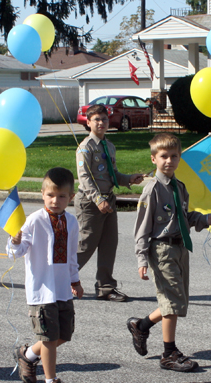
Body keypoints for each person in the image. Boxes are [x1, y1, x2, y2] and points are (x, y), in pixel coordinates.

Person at [128, 133, 211, 371]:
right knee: (172, 303)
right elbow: (142, 228)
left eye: (173, 156)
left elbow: (184, 217)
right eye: (163, 156)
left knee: (177, 302)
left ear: (179, 158)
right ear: (153, 159)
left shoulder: (179, 187)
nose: (168, 160)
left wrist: (204, 218)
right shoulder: (152, 190)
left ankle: (141, 327)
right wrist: (142, 259)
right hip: (161, 249)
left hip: (181, 247)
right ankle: (169, 353)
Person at [7, 167, 83, 383]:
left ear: (71, 197)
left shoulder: (71, 221)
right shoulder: (34, 220)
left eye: (62, 196)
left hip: (62, 288)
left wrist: (75, 280)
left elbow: (72, 255)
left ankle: (27, 355)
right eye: (51, 195)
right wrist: (15, 240)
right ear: (42, 194)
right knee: (49, 339)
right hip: (41, 290)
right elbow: (17, 252)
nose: (55, 200)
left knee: (63, 335)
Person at [75, 104, 144, 301]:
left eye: (104, 119)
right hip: (91, 202)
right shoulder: (85, 147)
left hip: (109, 200)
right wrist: (97, 200)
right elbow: (85, 178)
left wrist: (129, 178)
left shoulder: (109, 146)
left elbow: (112, 174)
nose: (101, 123)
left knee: (109, 244)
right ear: (88, 123)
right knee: (87, 244)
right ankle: (60, 280)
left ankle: (105, 287)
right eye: (96, 119)